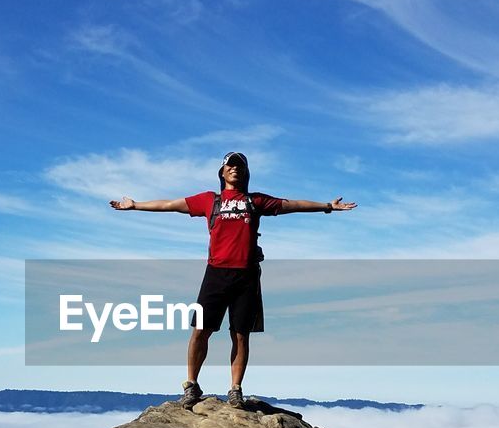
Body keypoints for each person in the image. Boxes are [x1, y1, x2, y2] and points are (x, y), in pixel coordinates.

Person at [109, 150, 357, 408]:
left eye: (240, 166)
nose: (235, 169)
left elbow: (291, 205)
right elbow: (171, 205)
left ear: (246, 173)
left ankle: (235, 389)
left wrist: (327, 206)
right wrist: (135, 205)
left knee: (240, 335)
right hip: (216, 274)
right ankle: (191, 386)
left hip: (246, 276)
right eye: (231, 165)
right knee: (200, 332)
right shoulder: (209, 201)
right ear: (222, 172)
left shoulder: (256, 201)